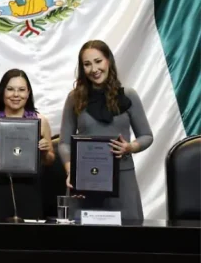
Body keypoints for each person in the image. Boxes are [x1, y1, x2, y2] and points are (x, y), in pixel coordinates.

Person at [59, 40, 153, 222]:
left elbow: (147, 136)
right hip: (85, 179)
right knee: (82, 242)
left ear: (108, 60)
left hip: (122, 177)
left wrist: (130, 147)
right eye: (87, 64)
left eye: (98, 61)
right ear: (82, 68)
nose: (94, 69)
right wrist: (72, 172)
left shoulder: (128, 95)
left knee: (126, 237)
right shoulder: (75, 98)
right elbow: (64, 143)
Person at [0, 69, 55, 222]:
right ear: (2, 91)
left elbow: (50, 160)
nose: (16, 95)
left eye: (21, 90)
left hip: (31, 189)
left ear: (28, 93)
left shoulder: (40, 121)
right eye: (10, 89)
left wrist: (45, 151)